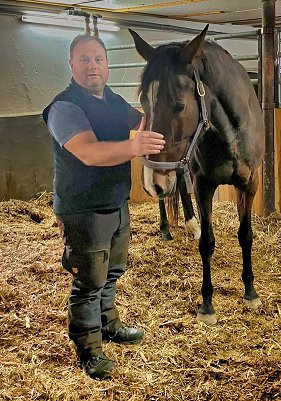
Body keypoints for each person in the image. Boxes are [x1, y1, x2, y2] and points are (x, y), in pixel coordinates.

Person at [42, 34, 165, 380]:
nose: (92, 66)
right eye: (84, 59)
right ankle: (88, 347)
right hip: (83, 209)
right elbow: (90, 152)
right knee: (89, 280)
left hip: (115, 203)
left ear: (107, 64)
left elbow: (142, 121)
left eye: (98, 59)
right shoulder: (64, 107)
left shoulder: (114, 101)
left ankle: (108, 325)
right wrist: (136, 146)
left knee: (112, 272)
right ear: (71, 65)